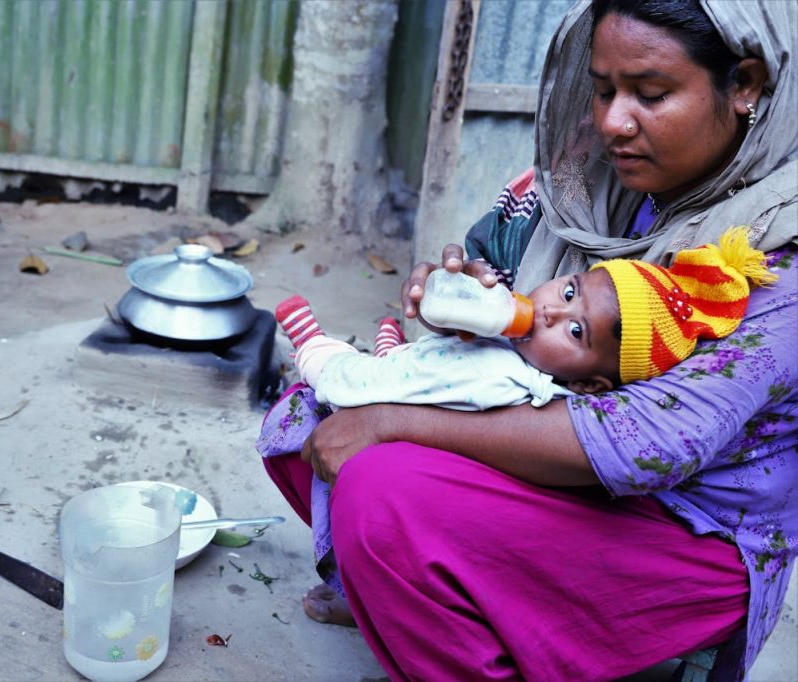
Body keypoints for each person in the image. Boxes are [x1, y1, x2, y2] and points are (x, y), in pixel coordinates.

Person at [259, 0, 797, 679]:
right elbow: (503, 262)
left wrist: (398, 420)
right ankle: (403, 595)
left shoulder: (778, 254)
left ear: (744, 84)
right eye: (603, 89)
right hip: (560, 448)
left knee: (381, 484)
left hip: (683, 527)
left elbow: (651, 445)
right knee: (317, 408)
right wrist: (468, 293)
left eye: (650, 94)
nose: (611, 121)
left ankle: (440, 612)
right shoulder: (589, 176)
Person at [262, 227, 776, 600]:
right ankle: (368, 580)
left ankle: (391, 595)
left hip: (673, 537)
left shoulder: (521, 389)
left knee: (376, 474)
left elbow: (424, 403)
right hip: (413, 395)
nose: (551, 311)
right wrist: (450, 303)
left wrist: (375, 409)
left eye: (576, 332)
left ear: (588, 384)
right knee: (300, 420)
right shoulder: (521, 300)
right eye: (569, 290)